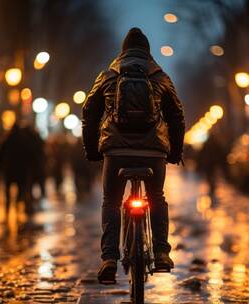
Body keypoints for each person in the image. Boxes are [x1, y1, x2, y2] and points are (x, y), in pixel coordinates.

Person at [82, 27, 185, 283]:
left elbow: (89, 113)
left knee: (111, 202)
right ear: (148, 52)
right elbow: (177, 116)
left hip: (116, 151)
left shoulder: (108, 75)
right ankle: (161, 252)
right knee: (157, 197)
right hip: (153, 152)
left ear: (123, 51)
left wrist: (93, 151)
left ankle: (108, 258)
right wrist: (174, 151)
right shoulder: (160, 76)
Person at [0, 123, 34, 214]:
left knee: (8, 190)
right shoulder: (24, 140)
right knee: (20, 188)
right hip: (21, 169)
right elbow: (30, 155)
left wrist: (0, 167)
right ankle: (17, 204)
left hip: (9, 170)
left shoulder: (7, 139)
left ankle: (8, 207)